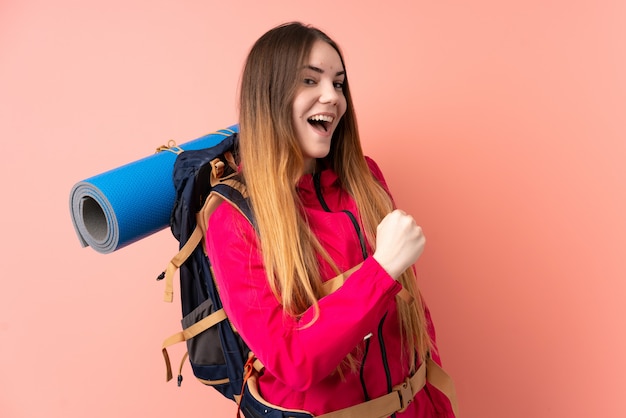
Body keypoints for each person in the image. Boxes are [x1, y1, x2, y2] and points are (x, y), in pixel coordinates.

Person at [205, 22, 456, 418]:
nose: (332, 97)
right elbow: (291, 359)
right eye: (310, 80)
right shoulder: (233, 220)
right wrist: (383, 269)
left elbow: (412, 318)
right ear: (270, 96)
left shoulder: (365, 177)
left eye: (339, 83)